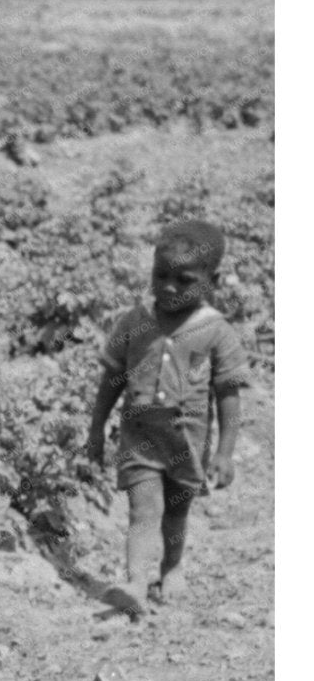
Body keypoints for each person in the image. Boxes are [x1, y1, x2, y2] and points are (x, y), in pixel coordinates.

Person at [86, 220, 251, 615]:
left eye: (184, 279)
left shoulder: (216, 331)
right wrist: (95, 429)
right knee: (143, 510)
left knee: (175, 514)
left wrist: (225, 453)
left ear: (211, 279)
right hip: (139, 435)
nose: (169, 287)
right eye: (160, 275)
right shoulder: (135, 320)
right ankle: (136, 584)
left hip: (186, 443)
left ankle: (171, 569)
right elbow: (112, 378)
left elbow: (228, 395)